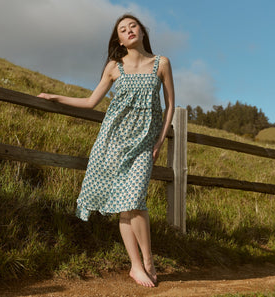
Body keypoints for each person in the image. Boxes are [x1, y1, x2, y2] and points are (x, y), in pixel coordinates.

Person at [38, 14, 175, 288]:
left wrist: (159, 143)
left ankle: (148, 261)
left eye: (132, 26)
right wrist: (55, 96)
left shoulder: (161, 63)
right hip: (112, 142)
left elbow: (170, 105)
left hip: (144, 144)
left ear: (142, 31)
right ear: (119, 39)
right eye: (122, 30)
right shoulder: (115, 67)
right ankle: (136, 266)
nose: (128, 31)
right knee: (125, 206)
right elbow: (91, 101)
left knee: (135, 199)